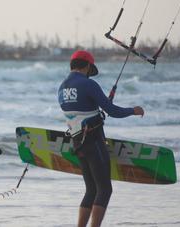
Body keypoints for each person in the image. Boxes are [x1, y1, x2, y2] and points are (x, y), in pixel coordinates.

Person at [58, 50, 144, 227]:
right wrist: (133, 110)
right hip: (93, 141)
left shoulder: (62, 87)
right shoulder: (88, 84)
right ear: (88, 66)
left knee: (91, 189)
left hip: (78, 143)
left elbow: (80, 110)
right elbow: (112, 111)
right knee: (105, 189)